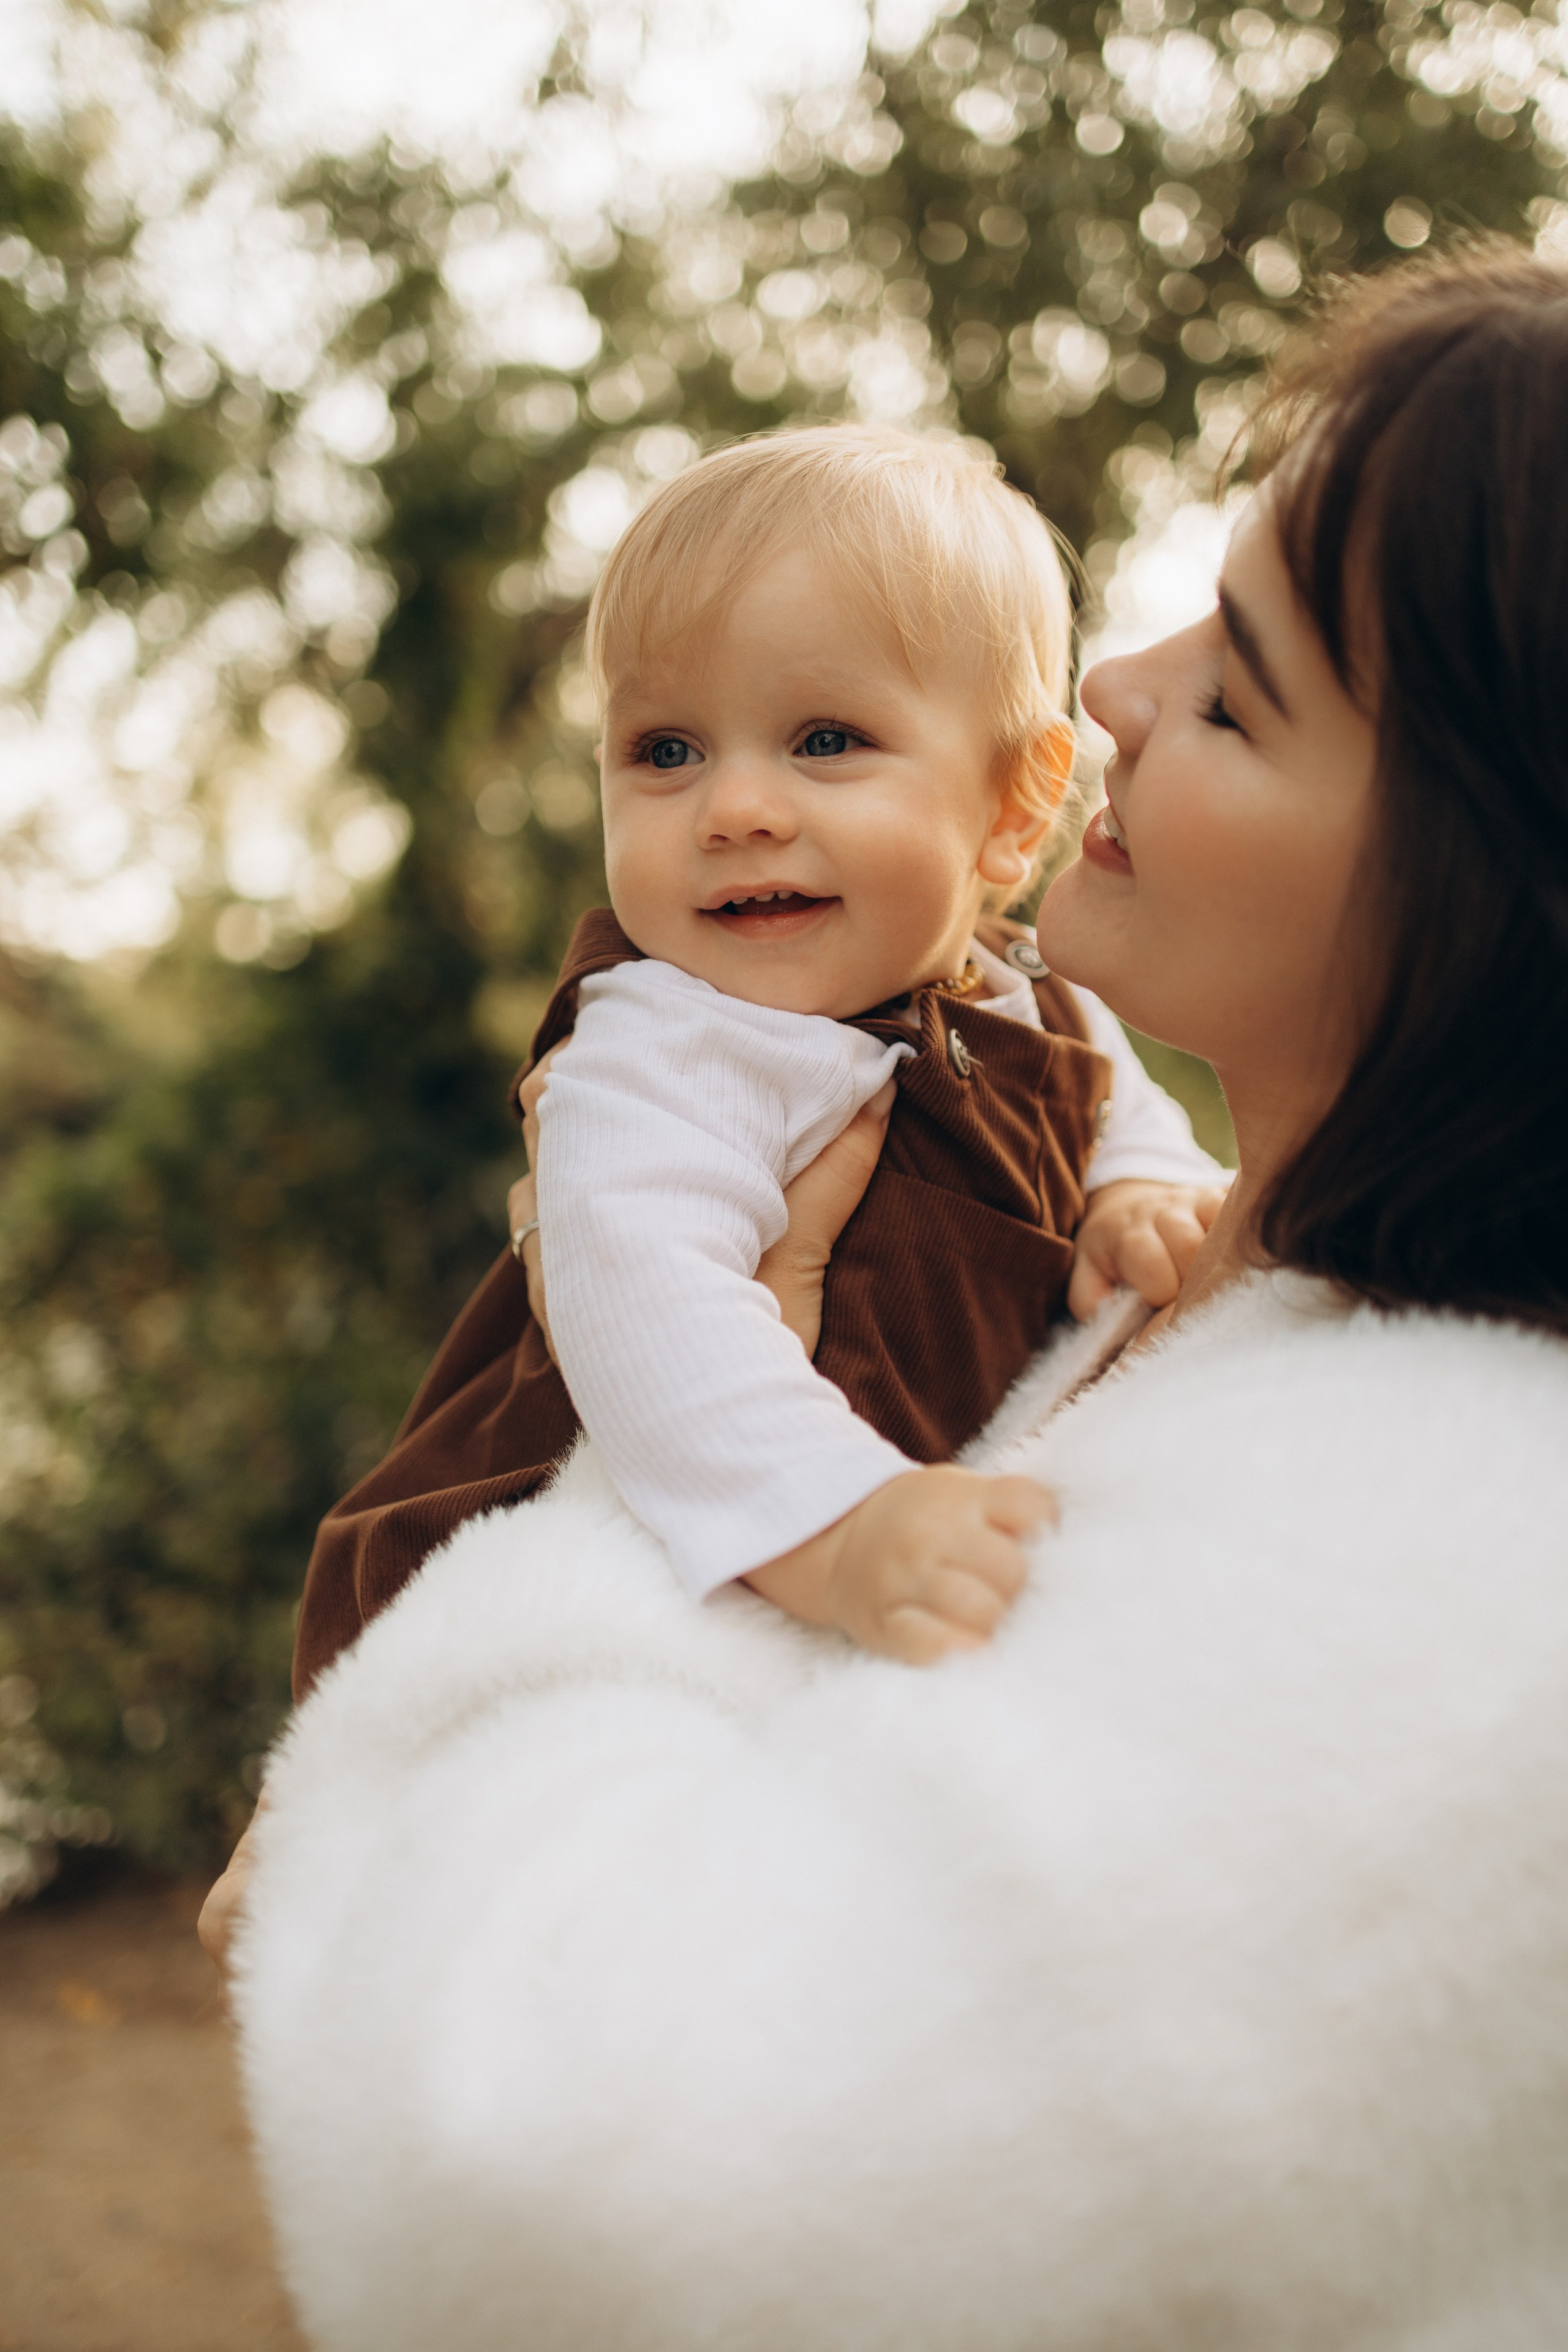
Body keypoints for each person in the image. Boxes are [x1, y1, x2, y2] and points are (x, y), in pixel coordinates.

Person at [230, 243, 1568, 2348]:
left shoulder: (1450, 1522)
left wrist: (399, 1809)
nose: (1116, 690)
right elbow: (677, 1304)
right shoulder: (693, 1055)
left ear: (1492, 893)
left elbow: (577, 2179)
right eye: (661, 751)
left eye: (1235, 691)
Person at [290, 427, 1225, 1687]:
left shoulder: (1036, 994)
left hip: (848, 1561)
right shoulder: (670, 1037)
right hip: (536, 1568)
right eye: (664, 752)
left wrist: (1136, 1193)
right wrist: (838, 1529)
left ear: (1012, 807)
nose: (733, 809)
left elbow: (1115, 1109)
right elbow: (645, 1298)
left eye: (824, 739)